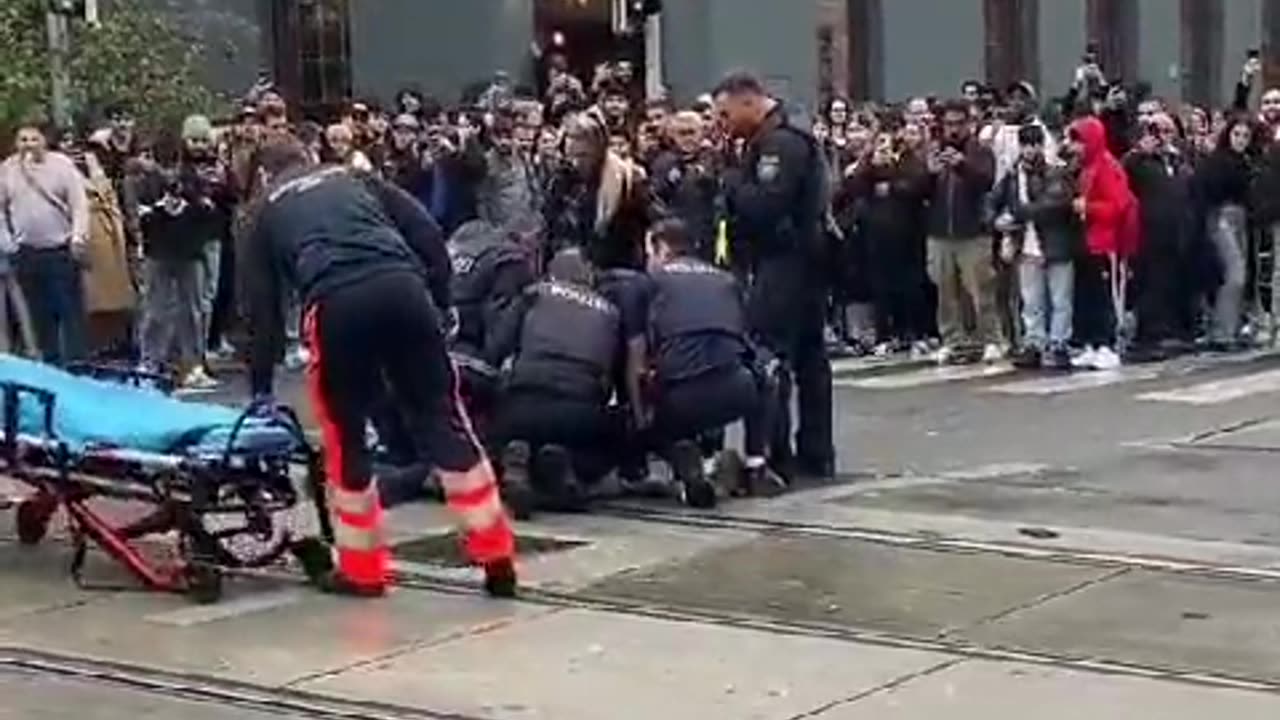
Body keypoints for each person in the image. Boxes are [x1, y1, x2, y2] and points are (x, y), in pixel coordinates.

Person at [242, 135, 516, 598]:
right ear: (308, 157)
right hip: (403, 288)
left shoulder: (263, 212)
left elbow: (262, 313)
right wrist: (442, 300)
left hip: (336, 303)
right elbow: (426, 232)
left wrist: (261, 388)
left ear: (264, 174)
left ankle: (363, 569)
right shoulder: (353, 176)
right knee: (441, 416)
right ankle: (496, 555)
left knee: (344, 433)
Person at [714, 71, 834, 480]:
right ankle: (814, 451)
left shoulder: (780, 144)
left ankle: (777, 451)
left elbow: (766, 205)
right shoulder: (775, 138)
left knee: (771, 357)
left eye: (726, 113)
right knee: (808, 360)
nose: (724, 124)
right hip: (799, 262)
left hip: (786, 262)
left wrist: (732, 183)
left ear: (749, 101)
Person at [642, 218, 786, 506]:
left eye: (648, 252)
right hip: (736, 388)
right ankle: (757, 464)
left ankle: (686, 464)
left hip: (680, 398)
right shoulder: (725, 279)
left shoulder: (651, 283)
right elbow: (746, 341)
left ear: (662, 249)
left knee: (642, 410)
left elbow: (641, 346)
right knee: (764, 373)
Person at [488, 248, 631, 517]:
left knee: (502, 430)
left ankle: (515, 460)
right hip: (578, 409)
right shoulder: (610, 311)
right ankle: (570, 467)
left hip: (523, 401)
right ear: (588, 276)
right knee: (605, 442)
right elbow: (616, 374)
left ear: (551, 274)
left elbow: (496, 348)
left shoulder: (534, 294)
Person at [0, 120, 91, 366]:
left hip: (60, 250)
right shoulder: (7, 169)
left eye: (34, 139)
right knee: (39, 315)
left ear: (44, 141)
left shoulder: (62, 166)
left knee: (69, 311)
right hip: (27, 251)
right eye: (23, 140)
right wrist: (8, 240)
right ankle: (50, 365)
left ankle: (77, 364)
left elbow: (79, 204)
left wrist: (78, 236)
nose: (28, 145)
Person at [991, 125, 1081, 370]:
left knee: (1060, 299)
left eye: (1035, 144)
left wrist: (1018, 213)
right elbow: (991, 201)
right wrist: (996, 220)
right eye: (1026, 144)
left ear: (1043, 145)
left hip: (1055, 244)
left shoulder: (1055, 173)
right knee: (1032, 301)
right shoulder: (1012, 176)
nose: (1030, 150)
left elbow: (1054, 205)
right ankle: (1035, 343)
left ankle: (1059, 343)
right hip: (1027, 246)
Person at [925, 100, 1000, 365]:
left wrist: (962, 165)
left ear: (969, 124)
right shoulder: (933, 152)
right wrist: (929, 174)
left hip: (973, 232)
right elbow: (918, 190)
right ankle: (952, 340)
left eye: (958, 123)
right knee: (945, 291)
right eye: (948, 124)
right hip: (940, 232)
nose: (953, 129)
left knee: (980, 288)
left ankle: (990, 338)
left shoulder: (980, 151)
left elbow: (986, 181)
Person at [1067, 116, 1138, 371]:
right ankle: (1091, 343)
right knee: (1087, 295)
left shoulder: (1108, 166)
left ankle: (1108, 344)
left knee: (1105, 296)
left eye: (1079, 142)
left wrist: (1089, 208)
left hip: (1106, 242)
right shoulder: (1085, 168)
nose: (1074, 148)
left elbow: (1118, 205)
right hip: (1088, 241)